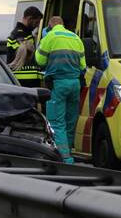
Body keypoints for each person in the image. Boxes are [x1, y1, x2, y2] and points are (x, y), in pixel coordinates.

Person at [35, 16, 86, 163]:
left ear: (50, 26)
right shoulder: (75, 38)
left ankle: (64, 157)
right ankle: (68, 150)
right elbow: (83, 65)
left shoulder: (50, 37)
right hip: (75, 84)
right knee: (71, 120)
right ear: (62, 24)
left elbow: (40, 60)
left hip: (58, 84)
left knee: (57, 122)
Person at [6, 7, 43, 87]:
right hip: (24, 83)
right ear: (30, 19)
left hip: (24, 82)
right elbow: (25, 58)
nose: (37, 26)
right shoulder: (19, 35)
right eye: (36, 22)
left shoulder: (26, 34)